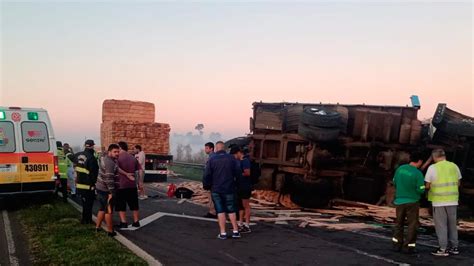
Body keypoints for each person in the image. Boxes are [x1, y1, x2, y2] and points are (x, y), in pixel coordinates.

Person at [425, 149, 462, 256]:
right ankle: (454, 247)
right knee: (452, 225)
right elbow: (458, 183)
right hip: (453, 200)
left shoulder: (432, 168)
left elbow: (427, 185)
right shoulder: (454, 166)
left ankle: (443, 249)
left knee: (441, 226)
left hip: (439, 201)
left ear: (434, 157)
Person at [203, 141, 241, 240]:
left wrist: (207, 185)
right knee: (231, 210)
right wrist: (236, 185)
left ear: (215, 148)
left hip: (216, 189)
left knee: (220, 211)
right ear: (224, 149)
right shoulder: (232, 159)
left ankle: (223, 233)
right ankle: (236, 231)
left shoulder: (212, 159)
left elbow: (207, 174)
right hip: (229, 188)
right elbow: (238, 173)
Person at [391, 152, 425, 253]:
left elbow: (394, 182)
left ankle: (396, 244)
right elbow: (421, 190)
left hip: (400, 201)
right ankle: (409, 246)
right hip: (412, 202)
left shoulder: (400, 169)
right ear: (419, 161)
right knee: (412, 225)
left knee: (399, 223)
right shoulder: (418, 173)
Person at [95, 144, 120, 237]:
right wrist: (112, 192)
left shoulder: (105, 159)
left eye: (118, 151)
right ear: (109, 152)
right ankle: (110, 231)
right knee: (109, 211)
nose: (117, 153)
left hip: (100, 188)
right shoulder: (110, 163)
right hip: (106, 190)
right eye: (115, 152)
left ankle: (97, 227)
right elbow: (109, 179)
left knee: (102, 208)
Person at [116, 141, 141, 228]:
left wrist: (125, 174)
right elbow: (138, 171)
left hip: (121, 185)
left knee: (121, 205)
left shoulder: (117, 157)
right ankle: (136, 221)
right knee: (134, 204)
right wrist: (139, 183)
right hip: (132, 185)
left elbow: (116, 168)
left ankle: (124, 222)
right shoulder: (133, 158)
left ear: (120, 148)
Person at [74, 139, 99, 225]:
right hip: (88, 185)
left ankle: (84, 220)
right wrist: (95, 184)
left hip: (80, 184)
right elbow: (94, 173)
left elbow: (70, 157)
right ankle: (87, 220)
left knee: (84, 204)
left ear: (85, 145)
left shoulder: (77, 155)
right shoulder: (92, 158)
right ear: (92, 146)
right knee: (89, 204)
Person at [231, 146, 252, 234]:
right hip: (239, 186)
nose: (234, 157)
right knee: (240, 205)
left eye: (234, 155)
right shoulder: (238, 162)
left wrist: (239, 174)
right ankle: (240, 223)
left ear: (238, 153)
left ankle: (247, 224)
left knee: (245, 205)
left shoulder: (245, 161)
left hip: (245, 186)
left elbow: (247, 173)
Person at [203, 142, 217, 218]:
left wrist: (206, 182)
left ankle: (212, 212)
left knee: (211, 197)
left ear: (211, 148)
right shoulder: (213, 157)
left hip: (211, 182)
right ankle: (215, 211)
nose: (205, 150)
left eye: (207, 148)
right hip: (214, 181)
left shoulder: (212, 158)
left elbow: (208, 171)